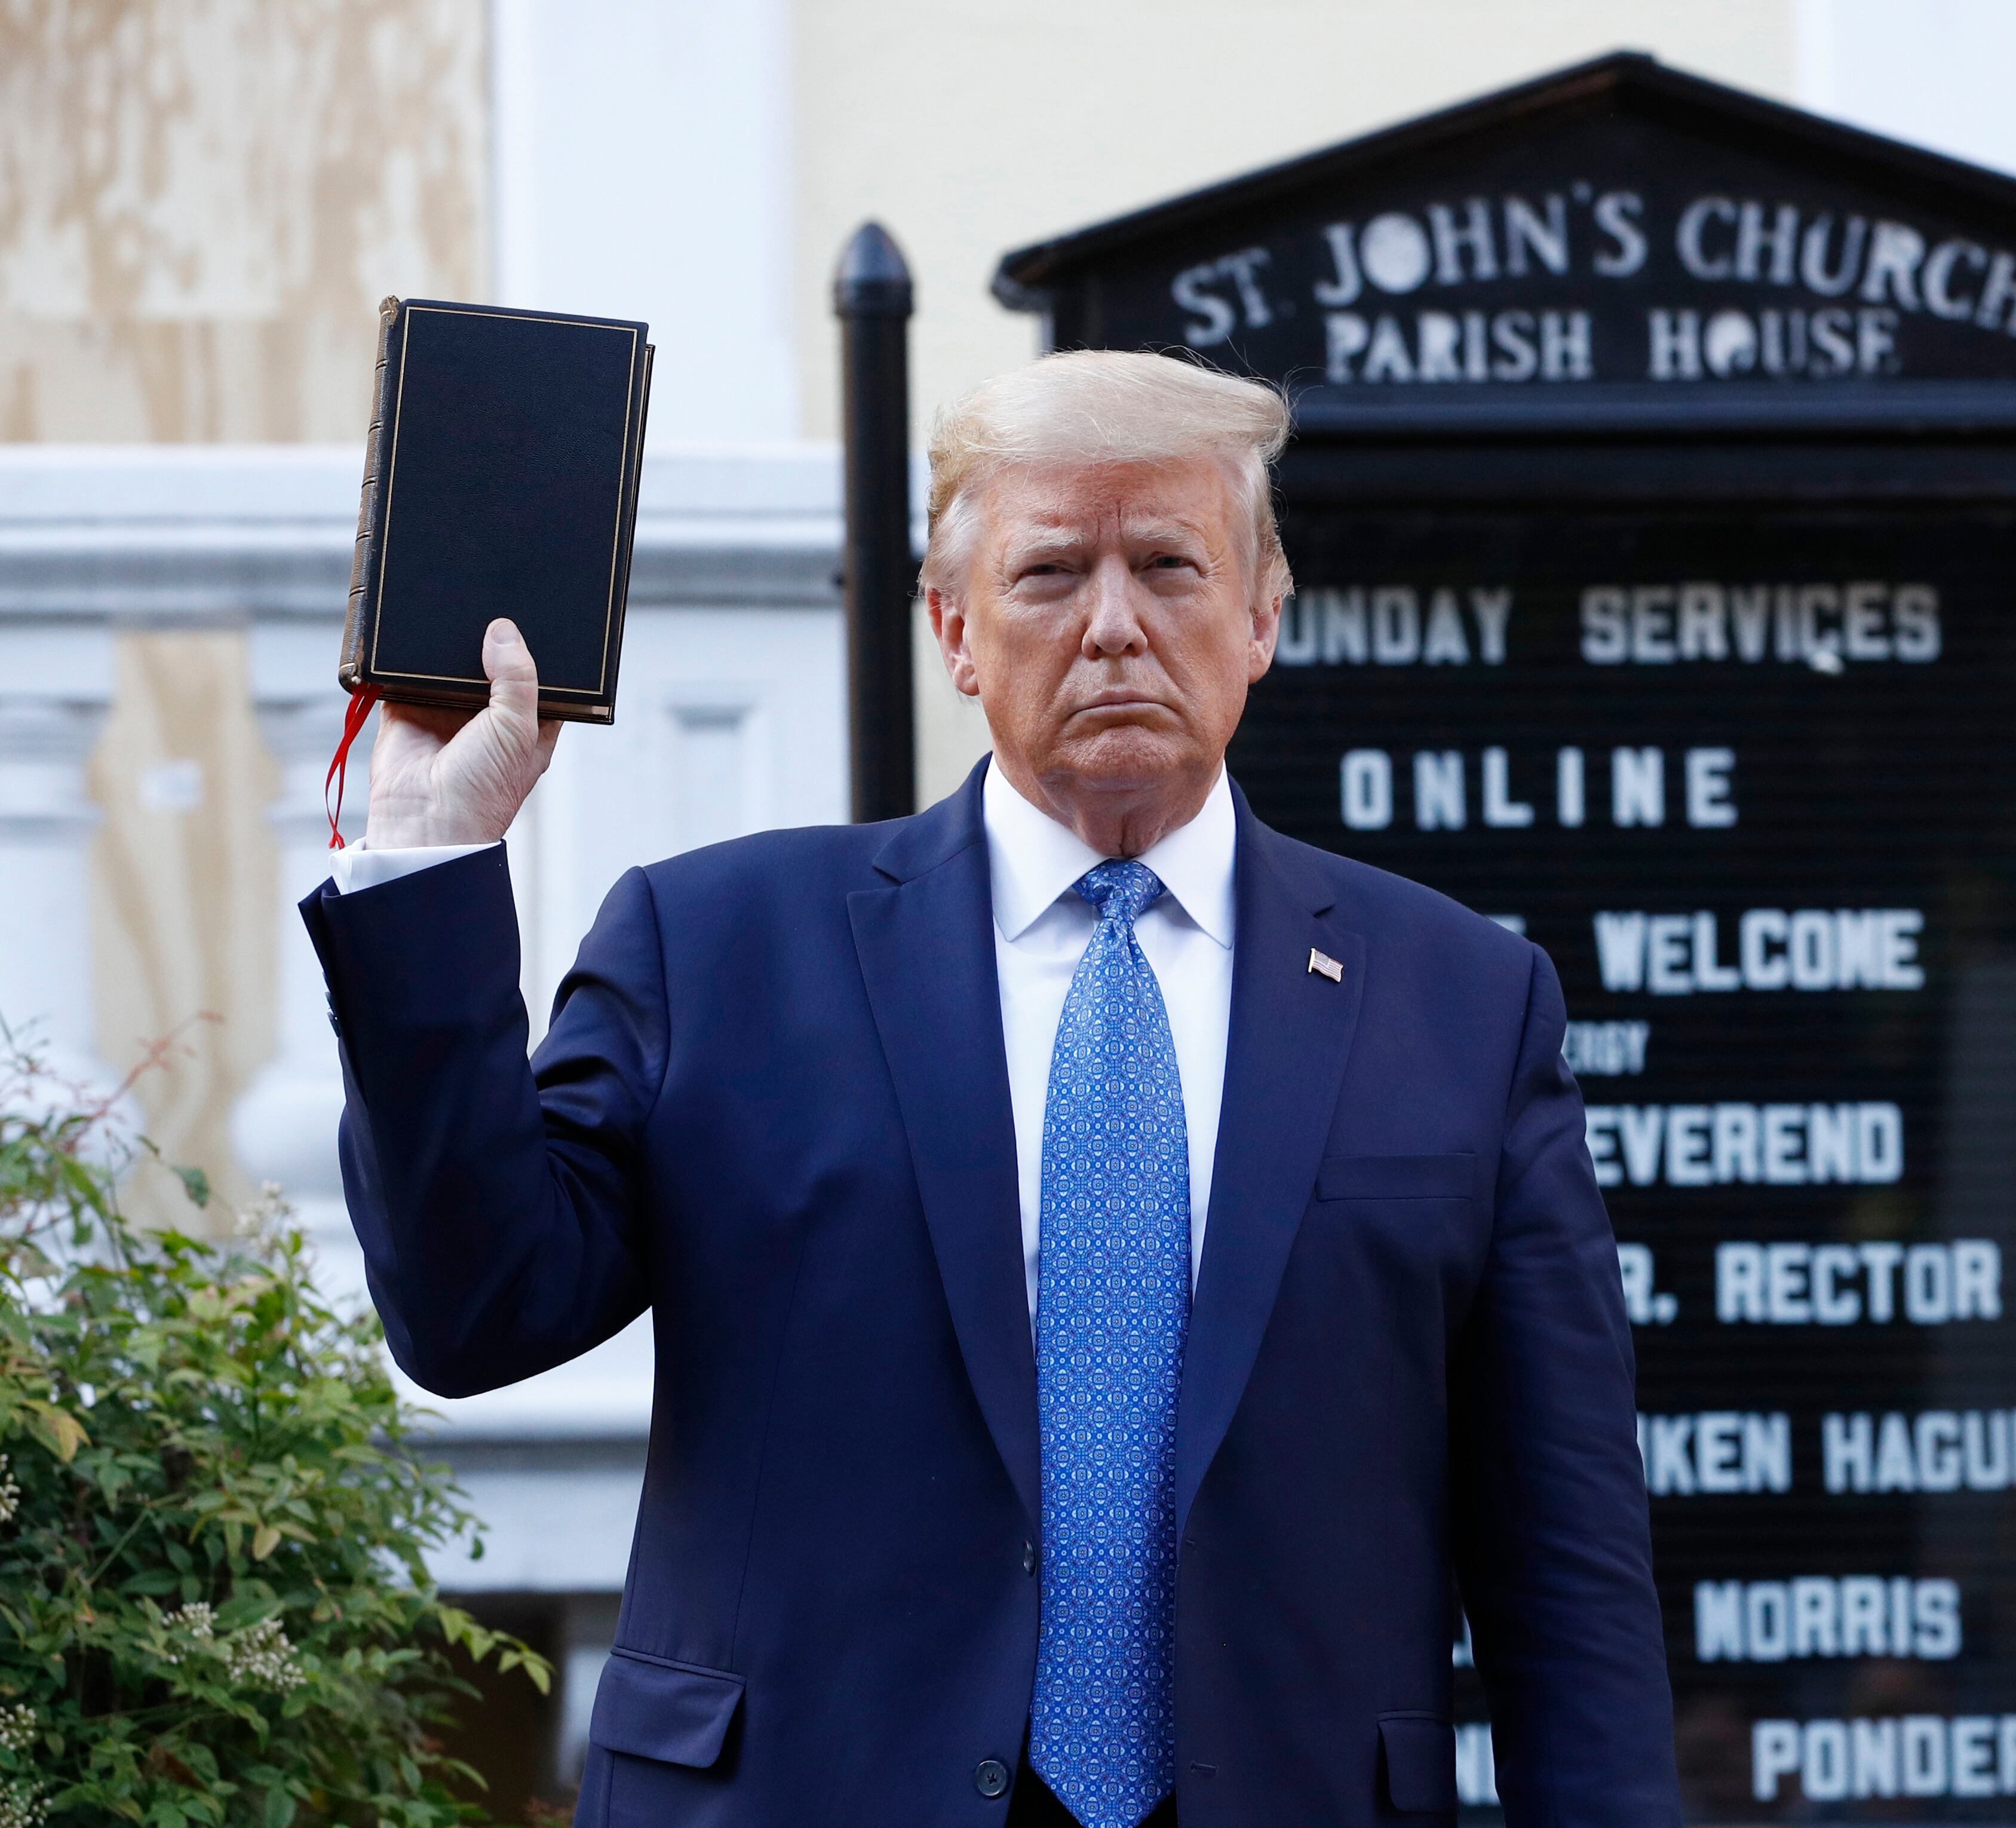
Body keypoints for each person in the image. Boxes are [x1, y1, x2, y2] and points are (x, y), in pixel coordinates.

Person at [303, 349, 1677, 1828]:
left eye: (1168, 565)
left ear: (1263, 614)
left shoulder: (1460, 1001)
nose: (1112, 627)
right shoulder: (717, 949)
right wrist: (431, 865)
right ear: (954, 631)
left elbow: (1567, 1566)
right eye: (1048, 575)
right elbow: (471, 1313)